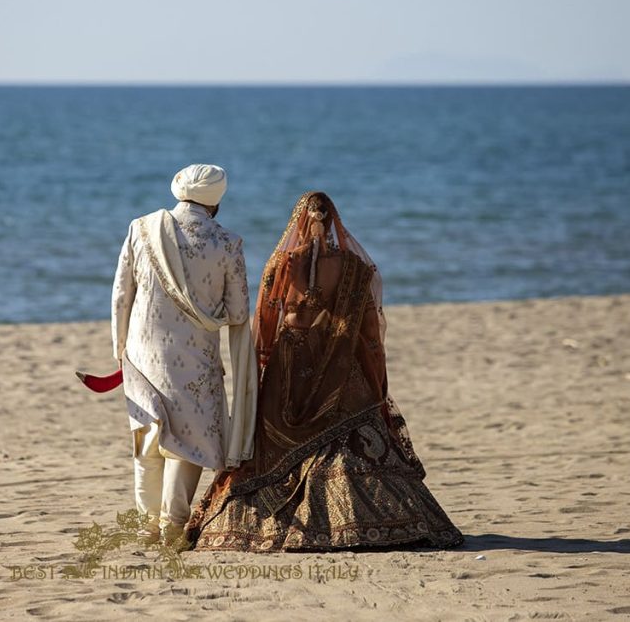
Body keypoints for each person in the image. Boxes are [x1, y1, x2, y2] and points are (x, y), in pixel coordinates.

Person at [185, 192, 463, 551]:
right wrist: (375, 376)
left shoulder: (283, 264)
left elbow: (266, 320)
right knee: (349, 437)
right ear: (334, 223)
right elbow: (369, 332)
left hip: (292, 362)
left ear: (297, 222)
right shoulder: (355, 268)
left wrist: (261, 362)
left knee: (276, 444)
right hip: (341, 361)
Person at [111, 164, 257, 544]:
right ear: (217, 201)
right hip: (195, 360)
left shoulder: (141, 228)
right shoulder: (228, 244)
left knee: (148, 438)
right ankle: (172, 525)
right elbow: (240, 313)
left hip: (142, 354)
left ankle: (145, 527)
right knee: (187, 443)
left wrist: (119, 347)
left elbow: (120, 295)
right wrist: (211, 316)